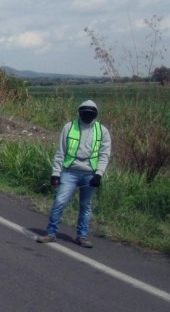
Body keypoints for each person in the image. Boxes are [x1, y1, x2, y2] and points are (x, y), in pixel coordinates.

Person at [37, 100, 112, 248]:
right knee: (59, 202)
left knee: (86, 206)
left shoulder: (102, 131)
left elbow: (104, 155)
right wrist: (56, 173)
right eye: (84, 112)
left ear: (96, 114)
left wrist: (99, 174)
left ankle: (82, 237)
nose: (87, 115)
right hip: (70, 172)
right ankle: (51, 234)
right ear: (79, 112)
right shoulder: (69, 127)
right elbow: (60, 152)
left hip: (90, 174)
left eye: (90, 113)